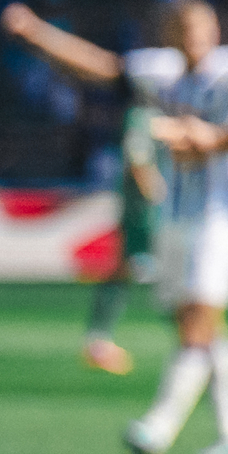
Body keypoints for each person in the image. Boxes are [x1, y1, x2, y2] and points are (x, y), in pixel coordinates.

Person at [2, 0, 228, 454]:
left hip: (222, 213)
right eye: (184, 28)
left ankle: (158, 428)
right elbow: (101, 69)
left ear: (215, 31)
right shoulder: (157, 72)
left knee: (196, 322)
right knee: (201, 326)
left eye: (201, 27)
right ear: (170, 33)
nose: (194, 37)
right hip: (175, 213)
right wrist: (37, 35)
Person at [80, 95, 167, 376]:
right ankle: (98, 341)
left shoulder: (158, 111)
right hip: (145, 212)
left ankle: (98, 340)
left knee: (124, 270)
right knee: (137, 270)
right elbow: (138, 161)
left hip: (142, 209)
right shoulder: (143, 115)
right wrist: (161, 199)